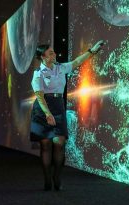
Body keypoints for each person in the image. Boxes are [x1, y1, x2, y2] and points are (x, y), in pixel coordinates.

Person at [30, 40, 104, 191]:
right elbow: (39, 96)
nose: (54, 54)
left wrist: (92, 51)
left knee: (59, 144)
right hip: (42, 108)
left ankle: (57, 176)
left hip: (57, 106)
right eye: (51, 53)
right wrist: (47, 114)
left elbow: (77, 61)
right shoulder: (38, 73)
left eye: (53, 51)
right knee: (45, 146)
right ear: (43, 57)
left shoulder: (60, 68)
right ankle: (46, 179)